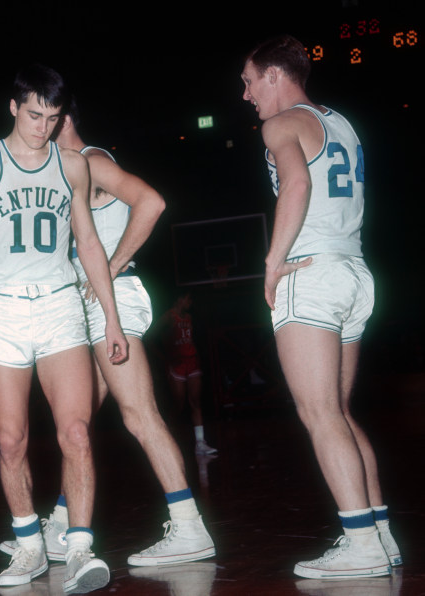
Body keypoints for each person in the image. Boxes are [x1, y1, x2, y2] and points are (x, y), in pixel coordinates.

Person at [0, 64, 128, 593]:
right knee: (11, 438)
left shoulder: (73, 167)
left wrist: (110, 317)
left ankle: (80, 549)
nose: (43, 126)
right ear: (14, 108)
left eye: (53, 117)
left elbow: (88, 244)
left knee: (77, 432)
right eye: (34, 114)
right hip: (4, 309)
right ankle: (29, 547)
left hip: (62, 305)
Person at [0, 100, 216, 567]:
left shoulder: (92, 162)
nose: (38, 134)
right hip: (91, 303)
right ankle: (60, 524)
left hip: (111, 299)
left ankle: (189, 529)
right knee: (77, 424)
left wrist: (110, 271)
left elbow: (153, 202)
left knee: (139, 414)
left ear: (66, 121)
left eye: (49, 123)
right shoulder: (69, 171)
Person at [241, 34, 401, 579]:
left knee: (319, 413)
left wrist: (272, 260)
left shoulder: (279, 124)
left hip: (309, 272)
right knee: (338, 411)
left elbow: (298, 183)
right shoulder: (343, 123)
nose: (245, 95)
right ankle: (379, 535)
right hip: (355, 272)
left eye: (247, 81)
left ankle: (359, 544)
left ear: (273, 76)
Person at [157, 291, 217, 456]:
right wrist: (165, 358)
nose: (190, 303)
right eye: (188, 299)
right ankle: (168, 440)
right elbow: (152, 337)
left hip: (192, 362)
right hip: (177, 364)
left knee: (196, 402)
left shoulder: (189, 317)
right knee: (178, 404)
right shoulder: (169, 316)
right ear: (180, 299)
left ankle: (200, 443)